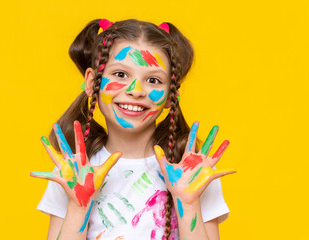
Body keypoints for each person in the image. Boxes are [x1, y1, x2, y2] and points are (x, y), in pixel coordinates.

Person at [30, 19, 236, 240]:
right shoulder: (72, 170)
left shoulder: (192, 171)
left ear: (171, 95)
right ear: (92, 82)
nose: (136, 90)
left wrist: (189, 202)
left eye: (154, 80)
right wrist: (79, 206)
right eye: (120, 74)